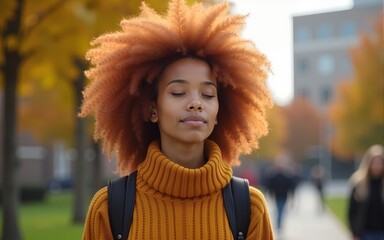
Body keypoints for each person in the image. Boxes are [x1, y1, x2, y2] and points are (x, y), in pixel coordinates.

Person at [79, 0, 274, 239]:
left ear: (219, 113)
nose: (196, 103)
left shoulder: (249, 208)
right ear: (152, 109)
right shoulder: (110, 208)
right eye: (178, 92)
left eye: (208, 94)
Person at [348, 144, 384, 240]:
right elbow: (351, 211)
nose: (377, 166)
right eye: (374, 163)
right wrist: (355, 233)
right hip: (365, 233)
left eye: (380, 163)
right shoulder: (359, 183)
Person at [264, 152, 295, 231]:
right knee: (280, 209)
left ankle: (279, 223)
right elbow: (270, 185)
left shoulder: (284, 176)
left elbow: (290, 187)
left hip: (282, 195)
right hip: (279, 195)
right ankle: (279, 224)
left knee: (280, 209)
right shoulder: (280, 176)